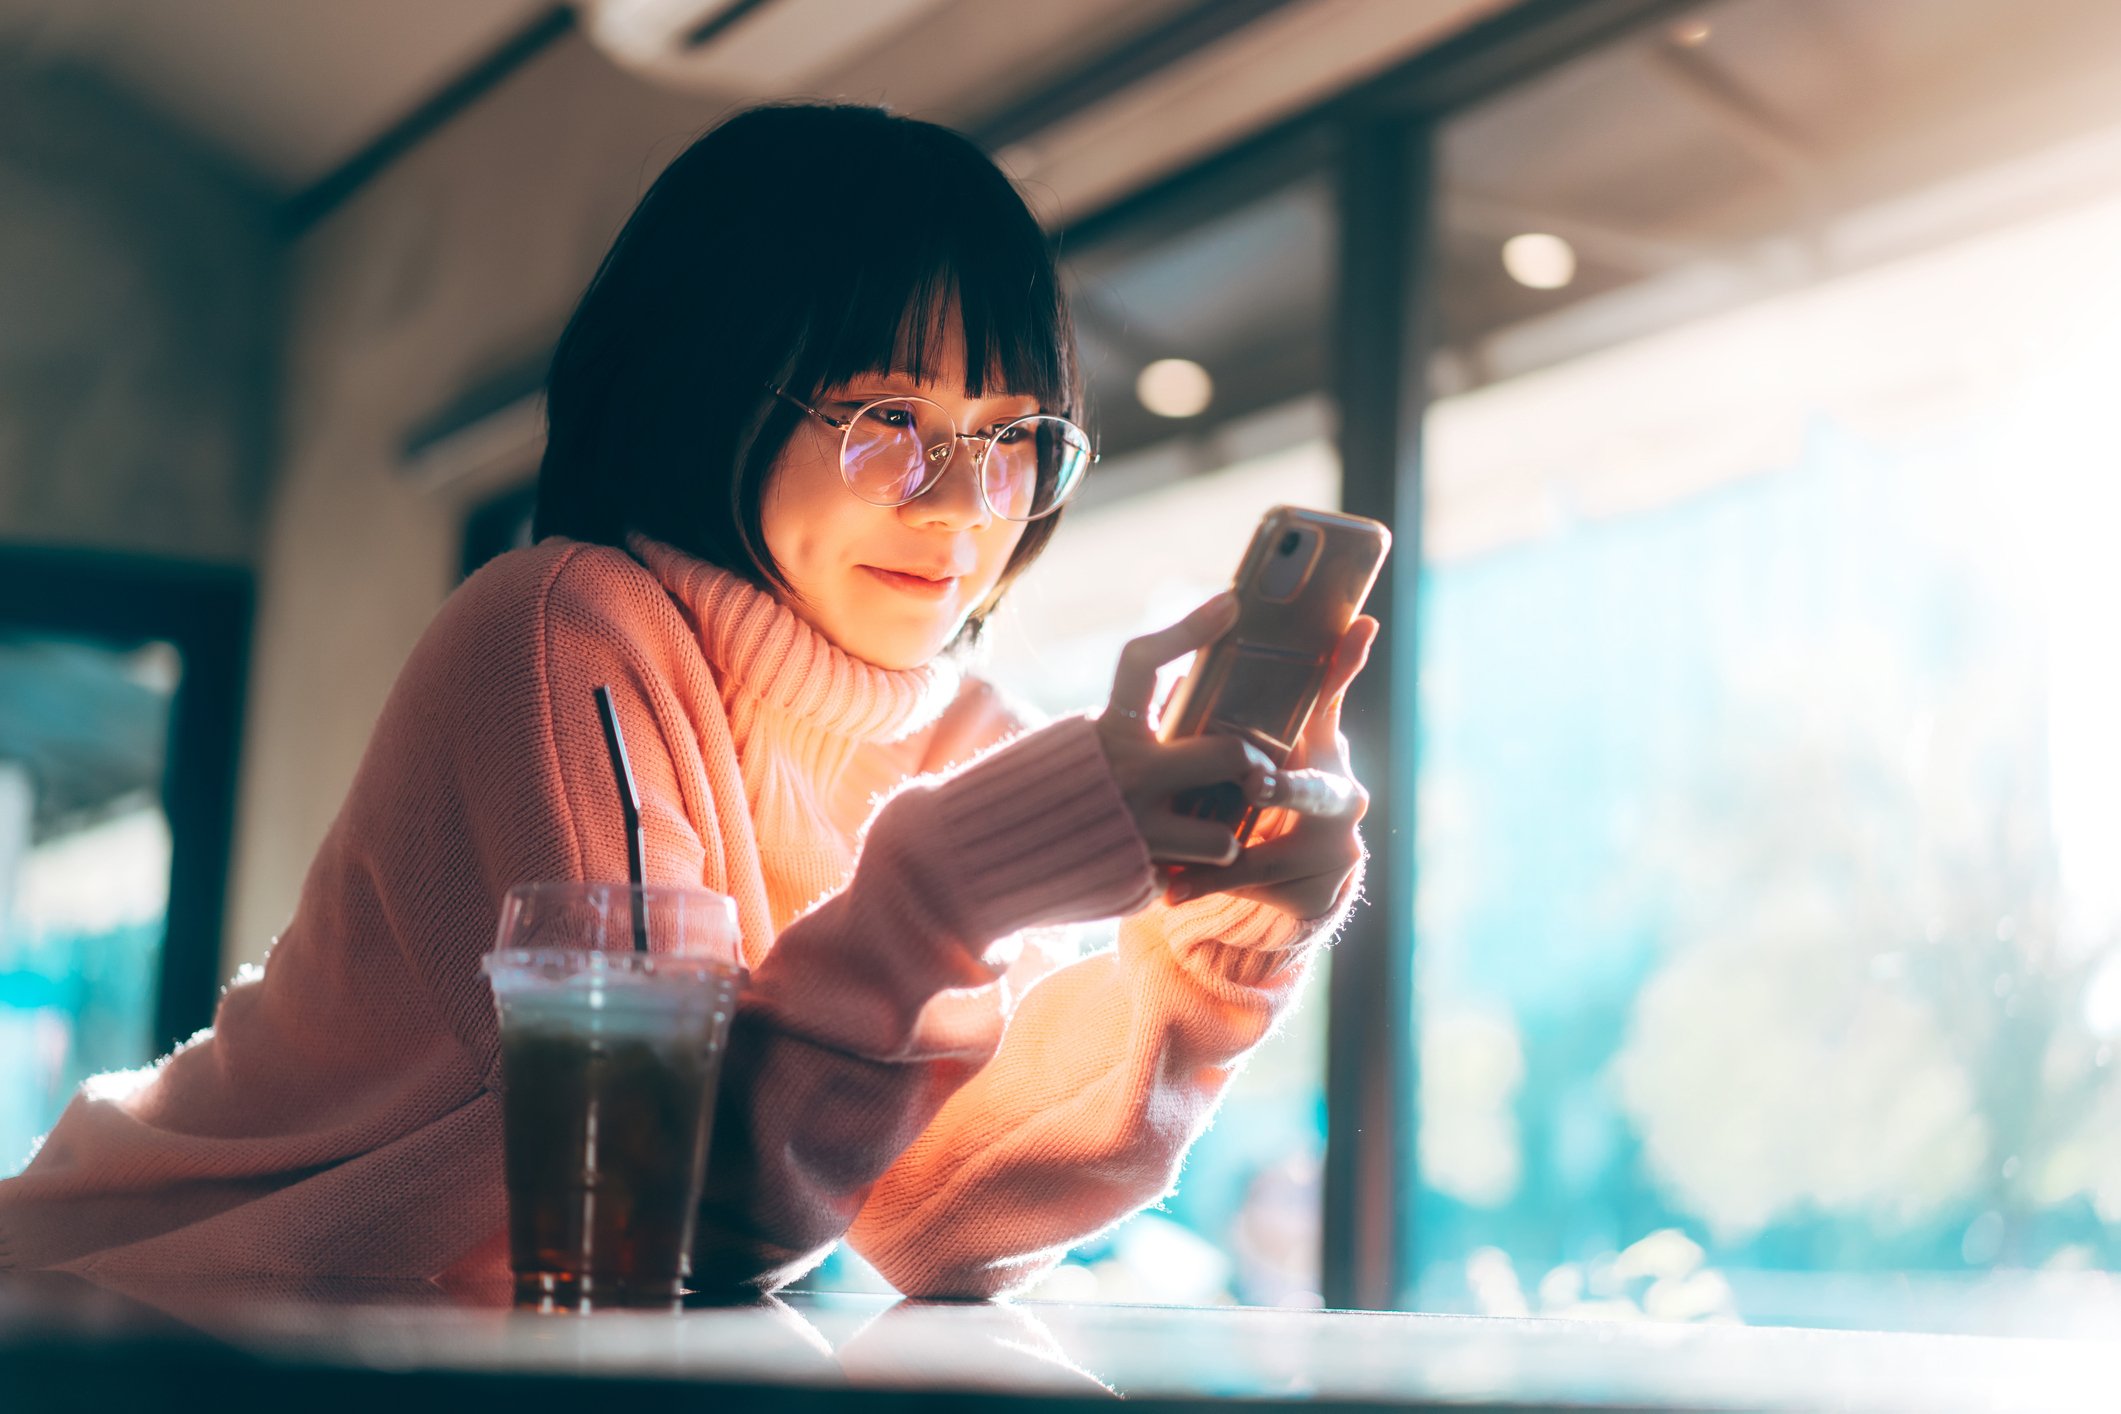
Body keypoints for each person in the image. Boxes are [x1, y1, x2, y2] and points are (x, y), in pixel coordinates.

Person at [0, 104, 1375, 1299]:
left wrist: (1205, 967)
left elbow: (934, 1223)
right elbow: (668, 1211)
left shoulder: (964, 739)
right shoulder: (559, 627)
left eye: (1013, 437)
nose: (963, 505)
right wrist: (946, 891)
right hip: (124, 1294)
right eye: (886, 418)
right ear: (713, 389)